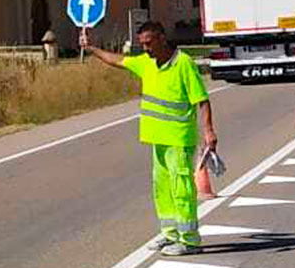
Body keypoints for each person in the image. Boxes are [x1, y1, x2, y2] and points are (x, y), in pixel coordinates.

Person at [82, 20, 218, 255]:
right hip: (158, 139)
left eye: (149, 43)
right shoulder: (146, 63)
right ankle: (170, 234)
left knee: (181, 189)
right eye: (142, 44)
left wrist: (208, 131)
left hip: (179, 139)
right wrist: (91, 48)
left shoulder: (183, 64)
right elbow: (117, 60)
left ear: (162, 38)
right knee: (162, 189)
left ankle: (190, 240)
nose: (145, 48)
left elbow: (202, 100)